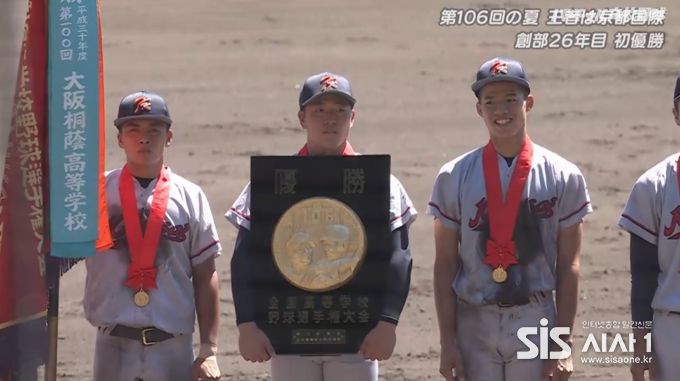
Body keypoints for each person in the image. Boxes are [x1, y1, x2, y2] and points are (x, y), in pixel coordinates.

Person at [226, 72, 417, 381]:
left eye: (340, 110)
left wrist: (387, 323)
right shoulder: (273, 181)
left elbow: (399, 256)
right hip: (287, 333)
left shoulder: (380, 182)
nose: (331, 119)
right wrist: (247, 324)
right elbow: (245, 256)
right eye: (319, 110)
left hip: (358, 337)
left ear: (352, 117)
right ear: (302, 118)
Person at [427, 57, 592, 381]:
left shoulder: (563, 175)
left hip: (536, 315)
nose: (500, 110)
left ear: (528, 103)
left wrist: (563, 343)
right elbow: (445, 263)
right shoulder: (454, 176)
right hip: (474, 317)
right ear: (479, 109)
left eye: (510, 100)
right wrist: (447, 342)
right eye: (490, 101)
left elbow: (569, 264)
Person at [82, 91, 222, 381]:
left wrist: (208, 349)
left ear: (168, 136)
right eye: (133, 129)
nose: (144, 138)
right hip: (112, 343)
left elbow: (206, 273)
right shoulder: (94, 195)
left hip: (172, 345)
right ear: (120, 139)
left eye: (154, 129)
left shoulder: (191, 196)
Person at [617, 75, 680, 381]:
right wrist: (641, 347)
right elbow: (642, 276)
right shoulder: (653, 186)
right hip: (672, 332)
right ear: (676, 114)